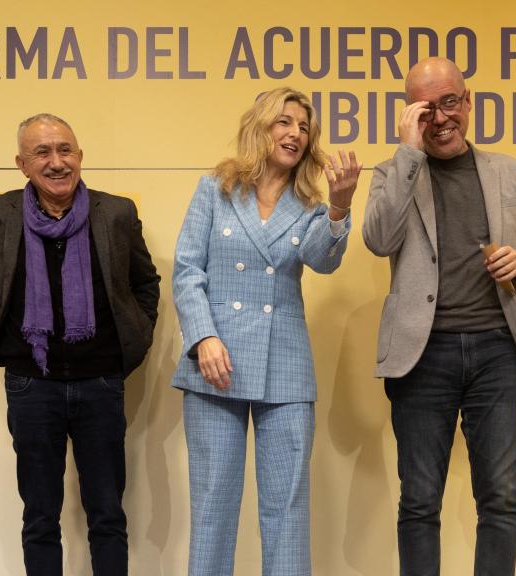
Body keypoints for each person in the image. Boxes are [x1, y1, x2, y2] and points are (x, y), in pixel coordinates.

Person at [363, 58, 516, 575]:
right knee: (420, 502)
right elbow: (379, 239)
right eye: (426, 109)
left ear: (468, 102)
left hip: (497, 353)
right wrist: (408, 152)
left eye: (450, 101)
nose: (442, 117)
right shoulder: (392, 171)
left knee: (499, 499)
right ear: (410, 114)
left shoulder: (507, 172)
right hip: (422, 356)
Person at [0, 113, 160, 576]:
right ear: (22, 164)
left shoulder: (117, 213)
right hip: (31, 387)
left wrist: (137, 336)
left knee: (108, 515)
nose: (56, 162)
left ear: (80, 157)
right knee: (40, 517)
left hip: (101, 385)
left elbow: (146, 284)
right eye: (42, 152)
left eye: (65, 150)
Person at [172, 87, 361, 576]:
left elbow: (323, 260)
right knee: (212, 504)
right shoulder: (213, 189)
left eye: (303, 127)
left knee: (287, 508)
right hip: (215, 364)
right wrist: (203, 338)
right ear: (260, 127)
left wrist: (339, 208)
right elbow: (188, 271)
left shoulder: (311, 206)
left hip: (285, 368)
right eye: (284, 122)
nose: (295, 133)